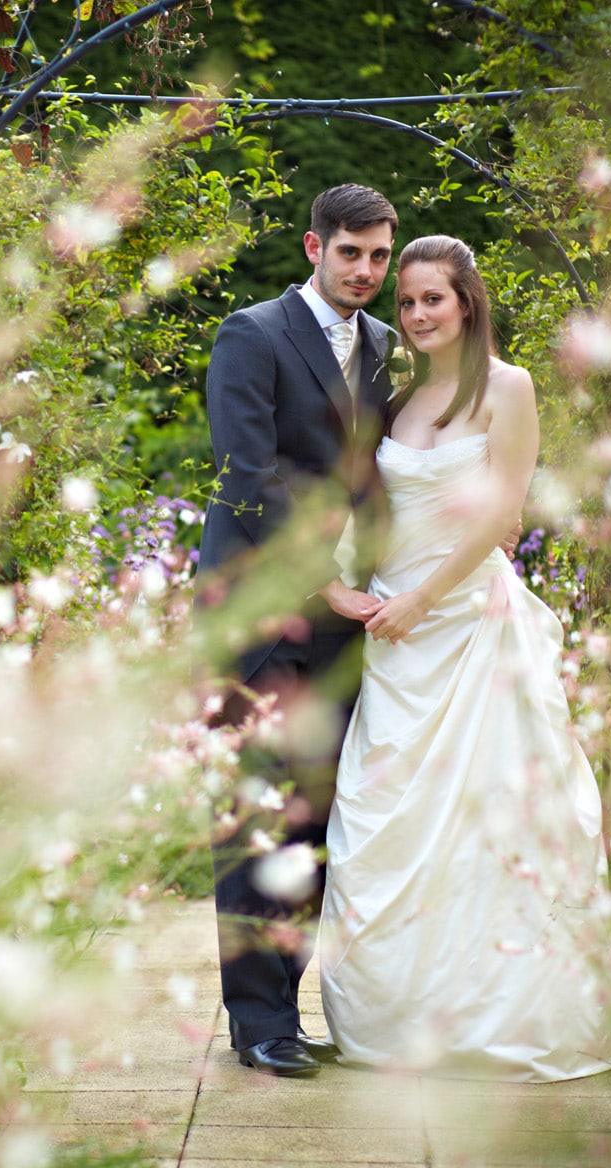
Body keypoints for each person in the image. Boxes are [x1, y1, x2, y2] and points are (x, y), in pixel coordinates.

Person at [318, 235, 611, 1082]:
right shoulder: (399, 397)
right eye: (408, 301)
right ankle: (402, 1017)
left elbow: (503, 517)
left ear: (467, 303)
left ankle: (504, 1015)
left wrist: (422, 599)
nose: (418, 314)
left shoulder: (509, 388)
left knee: (491, 821)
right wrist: (346, 584)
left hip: (468, 624)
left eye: (434, 299)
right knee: (388, 821)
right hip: (397, 631)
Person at [197, 183, 400, 1078]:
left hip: (347, 624)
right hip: (259, 616)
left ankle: (290, 1003)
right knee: (258, 821)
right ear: (313, 248)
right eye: (349, 252)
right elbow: (247, 475)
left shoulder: (388, 347)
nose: (365, 269)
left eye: (379, 256)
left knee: (316, 822)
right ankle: (258, 1025)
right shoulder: (253, 333)